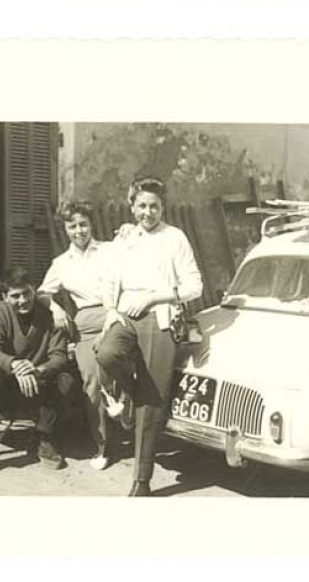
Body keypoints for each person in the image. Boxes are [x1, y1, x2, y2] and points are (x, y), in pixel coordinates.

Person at [95, 176, 203, 496]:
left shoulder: (176, 238)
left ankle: (141, 480)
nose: (147, 212)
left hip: (160, 318)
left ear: (162, 206)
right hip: (126, 314)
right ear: (132, 206)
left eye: (154, 206)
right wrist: (111, 310)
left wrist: (156, 298)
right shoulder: (125, 239)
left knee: (152, 400)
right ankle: (128, 402)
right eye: (141, 205)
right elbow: (110, 278)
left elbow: (194, 286)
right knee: (107, 354)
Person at [0, 266, 76, 482]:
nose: (23, 300)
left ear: (34, 290)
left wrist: (38, 370)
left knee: (66, 379)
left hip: (39, 387)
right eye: (15, 296)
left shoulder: (50, 314)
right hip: (8, 388)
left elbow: (59, 356)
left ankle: (45, 438)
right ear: (5, 297)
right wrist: (16, 365)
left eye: (27, 293)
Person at [37, 201, 118, 469]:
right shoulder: (61, 263)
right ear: (65, 229)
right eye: (73, 226)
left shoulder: (109, 250)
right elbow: (41, 293)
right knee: (91, 384)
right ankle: (102, 446)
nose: (80, 231)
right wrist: (57, 308)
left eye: (84, 224)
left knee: (125, 374)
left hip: (116, 315)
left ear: (91, 224)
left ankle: (126, 418)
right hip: (85, 322)